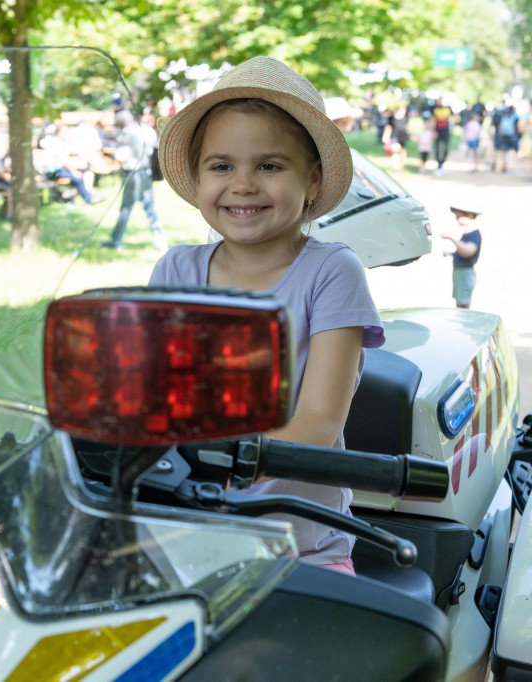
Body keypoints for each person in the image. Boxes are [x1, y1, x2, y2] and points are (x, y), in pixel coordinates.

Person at [151, 56, 385, 575]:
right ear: (198, 176)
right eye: (222, 166)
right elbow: (152, 391)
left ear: (313, 180)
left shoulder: (331, 271)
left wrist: (219, 461)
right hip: (183, 530)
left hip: (299, 547)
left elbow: (319, 422)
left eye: (269, 166)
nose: (243, 184)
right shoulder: (176, 270)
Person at [102, 109, 167, 250]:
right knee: (150, 208)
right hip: (146, 173)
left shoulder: (126, 133)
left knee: (125, 208)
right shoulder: (147, 130)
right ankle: (160, 241)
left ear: (122, 122)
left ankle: (116, 240)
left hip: (132, 174)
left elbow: (121, 156)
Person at [441, 203, 482, 309]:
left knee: (463, 303)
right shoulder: (466, 234)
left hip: (465, 272)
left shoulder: (474, 234)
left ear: (470, 216)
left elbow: (468, 251)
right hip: (459, 271)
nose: (456, 219)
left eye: (458, 216)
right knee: (459, 301)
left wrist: (451, 238)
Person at [432, 97, 452, 174]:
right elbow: (434, 121)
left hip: (445, 131)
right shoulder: (435, 110)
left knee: (446, 149)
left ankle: (442, 163)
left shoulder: (447, 110)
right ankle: (439, 165)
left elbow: (450, 121)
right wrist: (434, 131)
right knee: (437, 149)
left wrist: (450, 130)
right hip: (438, 131)